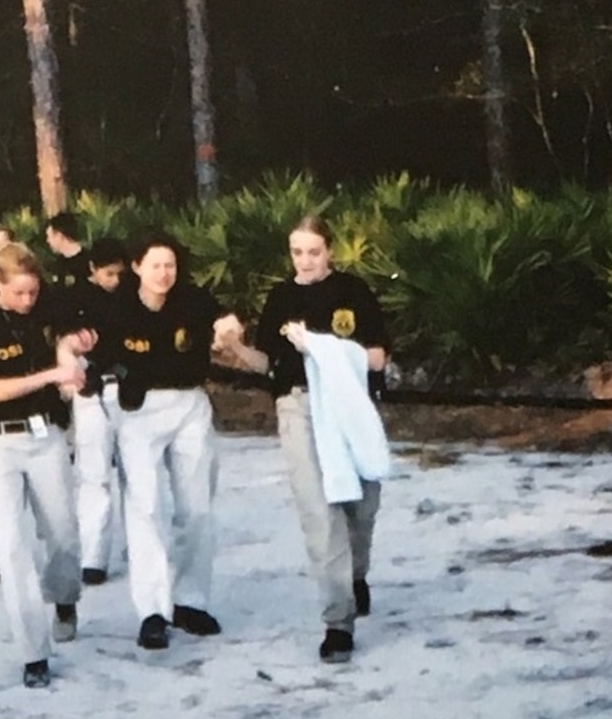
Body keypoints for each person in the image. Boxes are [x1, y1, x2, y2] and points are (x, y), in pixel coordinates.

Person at [216, 216, 391, 663]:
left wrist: (325, 349)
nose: (306, 260)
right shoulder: (281, 297)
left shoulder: (353, 292)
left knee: (362, 504)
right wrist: (235, 348)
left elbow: (375, 358)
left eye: (314, 251)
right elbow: (268, 363)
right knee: (320, 509)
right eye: (297, 252)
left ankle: (356, 575)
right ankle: (337, 621)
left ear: (329, 250)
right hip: (298, 407)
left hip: (349, 406)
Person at [0, 245, 92, 687]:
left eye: (33, 292)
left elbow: (74, 334)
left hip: (47, 433)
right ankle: (33, 652)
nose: (27, 301)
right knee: (12, 545)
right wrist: (51, 376)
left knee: (63, 533)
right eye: (18, 293)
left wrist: (71, 352)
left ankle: (65, 597)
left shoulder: (47, 308)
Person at [95, 234, 235, 651]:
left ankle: (190, 600)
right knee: (146, 506)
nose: (164, 273)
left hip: (188, 403)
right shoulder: (117, 307)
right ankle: (152, 610)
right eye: (155, 265)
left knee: (196, 508)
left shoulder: (191, 299)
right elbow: (98, 354)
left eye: (170, 264)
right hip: (138, 412)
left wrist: (229, 329)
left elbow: (223, 321)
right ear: (136, 267)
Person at [69, 239, 129, 586]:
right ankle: (94, 555)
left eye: (120, 274)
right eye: (108, 274)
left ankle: (141, 545)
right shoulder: (76, 299)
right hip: (92, 390)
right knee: (94, 474)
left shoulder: (130, 295)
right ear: (92, 269)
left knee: (136, 472)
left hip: (128, 388)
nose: (115, 281)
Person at [43, 211, 90, 289]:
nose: (48, 241)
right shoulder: (58, 264)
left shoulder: (88, 261)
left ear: (59, 236)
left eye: (49, 236)